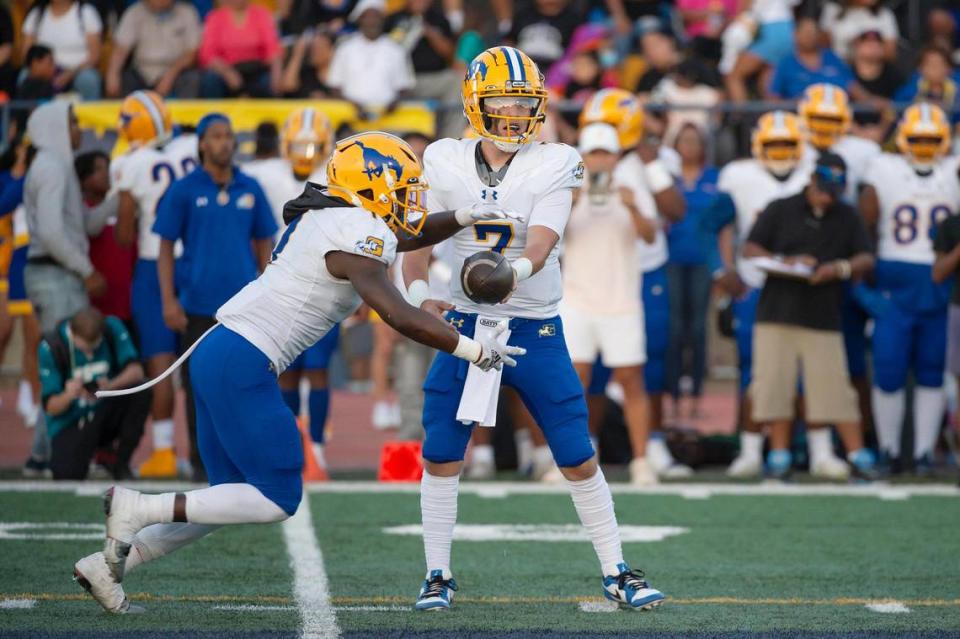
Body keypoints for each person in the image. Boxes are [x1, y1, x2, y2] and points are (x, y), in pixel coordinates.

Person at [74, 131, 523, 613]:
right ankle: (138, 507)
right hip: (243, 358)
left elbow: (406, 232)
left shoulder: (339, 215)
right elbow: (397, 313)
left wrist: (460, 218)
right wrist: (475, 351)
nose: (409, 196)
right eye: (401, 185)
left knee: (226, 500)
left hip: (224, 351)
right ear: (370, 184)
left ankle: (107, 566)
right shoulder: (354, 229)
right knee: (277, 495)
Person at [403, 46, 665, 611]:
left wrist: (511, 272)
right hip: (467, 321)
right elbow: (416, 239)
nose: (515, 113)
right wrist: (422, 297)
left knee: (574, 448)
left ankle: (617, 570)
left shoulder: (557, 159)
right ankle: (436, 573)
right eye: (503, 101)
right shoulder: (443, 158)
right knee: (443, 448)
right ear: (475, 102)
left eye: (524, 103)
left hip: (533, 323)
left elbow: (543, 240)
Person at [153, 113, 278, 482]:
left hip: (243, 310)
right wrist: (168, 300)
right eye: (217, 136)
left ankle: (241, 462)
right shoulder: (184, 189)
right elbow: (164, 247)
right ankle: (199, 462)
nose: (225, 142)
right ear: (203, 144)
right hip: (196, 306)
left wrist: (267, 292)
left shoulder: (250, 187)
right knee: (197, 388)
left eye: (229, 136)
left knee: (242, 384)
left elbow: (264, 245)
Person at [744, 152, 877, 480]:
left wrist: (837, 269)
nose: (827, 198)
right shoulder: (781, 208)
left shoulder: (846, 215)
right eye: (823, 189)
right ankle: (778, 454)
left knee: (833, 388)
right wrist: (784, 261)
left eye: (833, 192)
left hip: (822, 315)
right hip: (777, 311)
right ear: (810, 181)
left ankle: (857, 455)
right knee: (775, 387)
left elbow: (865, 257)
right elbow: (750, 248)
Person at [579, 87, 689, 480]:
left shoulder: (651, 161)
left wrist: (648, 160)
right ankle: (584, 445)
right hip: (592, 275)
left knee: (649, 361)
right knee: (589, 369)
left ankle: (653, 442)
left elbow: (676, 209)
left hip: (642, 271)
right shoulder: (579, 164)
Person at [701, 111, 811, 478]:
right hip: (756, 288)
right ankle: (750, 449)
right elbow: (710, 227)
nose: (780, 153)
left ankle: (799, 448)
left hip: (802, 288)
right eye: (773, 144)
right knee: (754, 371)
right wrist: (724, 272)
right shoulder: (739, 177)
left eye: (787, 145)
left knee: (802, 373)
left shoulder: (813, 173)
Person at [859, 103, 960, 474]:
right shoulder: (883, 169)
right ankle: (888, 449)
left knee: (933, 369)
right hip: (894, 273)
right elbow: (866, 218)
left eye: (931, 139)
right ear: (902, 138)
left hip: (939, 276)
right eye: (916, 138)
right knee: (888, 368)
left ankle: (921, 453)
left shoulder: (953, 169)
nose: (923, 145)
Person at [244, 107, 340, 475]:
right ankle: (288, 445)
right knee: (284, 369)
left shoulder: (334, 175)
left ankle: (316, 446)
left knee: (317, 368)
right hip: (281, 282)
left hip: (326, 282)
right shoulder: (265, 174)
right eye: (298, 145)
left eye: (312, 145)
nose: (304, 153)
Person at [562, 122, 659, 485]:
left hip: (621, 302)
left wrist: (633, 206)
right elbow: (550, 237)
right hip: (576, 301)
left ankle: (641, 462)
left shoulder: (631, 188)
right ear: (584, 156)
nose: (600, 160)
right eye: (594, 153)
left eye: (606, 153)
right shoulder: (569, 190)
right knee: (574, 383)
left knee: (632, 382)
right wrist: (571, 203)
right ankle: (575, 459)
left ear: (617, 156)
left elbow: (651, 237)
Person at [22, 101, 114, 477]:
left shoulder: (55, 167)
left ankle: (43, 454)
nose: (79, 129)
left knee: (65, 363)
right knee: (66, 363)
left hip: (58, 273)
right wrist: (87, 269)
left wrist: (117, 199)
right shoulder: (52, 168)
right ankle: (44, 455)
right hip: (55, 273)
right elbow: (51, 233)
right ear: (55, 126)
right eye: (73, 122)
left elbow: (83, 227)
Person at [110, 91, 192, 479]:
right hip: (193, 263)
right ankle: (201, 451)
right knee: (197, 366)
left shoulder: (132, 163)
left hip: (152, 264)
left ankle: (163, 451)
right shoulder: (192, 148)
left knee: (160, 362)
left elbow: (124, 234)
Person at [798, 83, 881, 435]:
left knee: (851, 362)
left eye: (831, 118)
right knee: (796, 366)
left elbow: (872, 207)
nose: (824, 124)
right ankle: (806, 443)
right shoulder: (791, 145)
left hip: (845, 268)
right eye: (817, 117)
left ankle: (861, 440)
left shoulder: (863, 152)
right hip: (798, 271)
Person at [41, 307, 149, 480]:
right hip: (73, 419)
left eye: (94, 347)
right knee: (67, 474)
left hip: (105, 409)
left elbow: (137, 371)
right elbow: (51, 407)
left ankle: (119, 460)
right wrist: (69, 394)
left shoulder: (112, 327)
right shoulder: (52, 346)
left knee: (141, 390)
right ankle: (93, 454)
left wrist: (109, 386)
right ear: (72, 333)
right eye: (84, 348)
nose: (90, 354)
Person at [666, 124, 716, 420]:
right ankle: (672, 397)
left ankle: (696, 395)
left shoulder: (714, 178)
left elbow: (722, 224)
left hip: (703, 261)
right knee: (674, 330)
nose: (689, 146)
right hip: (671, 259)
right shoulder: (667, 178)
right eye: (684, 140)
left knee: (697, 330)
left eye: (695, 141)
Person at [327, 0, 415, 120]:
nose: (372, 22)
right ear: (359, 20)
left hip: (388, 120)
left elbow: (404, 88)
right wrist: (354, 107)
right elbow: (334, 86)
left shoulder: (395, 49)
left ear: (382, 20)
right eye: (367, 17)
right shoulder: (345, 48)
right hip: (350, 117)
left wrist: (390, 108)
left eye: (376, 17)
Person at [387, 0, 462, 139]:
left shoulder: (438, 19)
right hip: (398, 82)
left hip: (428, 80)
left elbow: (450, 55)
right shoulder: (393, 19)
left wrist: (429, 32)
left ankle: (451, 140)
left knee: (457, 80)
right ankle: (389, 140)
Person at [79, 151, 135, 326]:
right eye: (98, 169)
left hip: (126, 302)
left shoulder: (123, 209)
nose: (106, 174)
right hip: (96, 302)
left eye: (107, 168)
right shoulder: (80, 210)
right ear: (83, 179)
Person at [106, 0, 203, 98]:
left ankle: (184, 113)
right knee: (125, 79)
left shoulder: (187, 12)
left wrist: (170, 76)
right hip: (142, 70)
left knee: (192, 79)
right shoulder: (135, 12)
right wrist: (113, 74)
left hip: (176, 70)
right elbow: (121, 48)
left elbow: (191, 53)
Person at [20, 0, 103, 100]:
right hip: (43, 68)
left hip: (78, 70)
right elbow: (27, 52)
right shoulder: (37, 14)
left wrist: (71, 73)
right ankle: (25, 115)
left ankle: (88, 115)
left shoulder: (86, 12)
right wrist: (41, 69)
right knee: (24, 76)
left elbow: (94, 56)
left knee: (88, 79)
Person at [197, 0, 281, 98]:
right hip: (226, 69)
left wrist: (277, 74)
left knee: (268, 81)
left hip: (256, 70)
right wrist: (227, 72)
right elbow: (208, 53)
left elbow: (273, 48)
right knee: (211, 80)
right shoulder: (215, 17)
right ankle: (214, 112)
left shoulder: (261, 15)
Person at [766, 16, 856, 100]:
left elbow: (852, 86)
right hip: (800, 114)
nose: (809, 36)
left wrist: (868, 103)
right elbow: (774, 98)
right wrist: (794, 104)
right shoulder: (786, 64)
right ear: (795, 35)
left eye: (813, 32)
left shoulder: (832, 58)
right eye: (806, 32)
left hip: (835, 112)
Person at [820, 0, 899, 62]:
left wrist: (867, 50)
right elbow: (822, 48)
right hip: (838, 71)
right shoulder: (833, 10)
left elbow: (890, 53)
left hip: (870, 73)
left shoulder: (884, 14)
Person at [280, 29, 335, 99]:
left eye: (319, 48)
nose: (314, 52)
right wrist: (298, 54)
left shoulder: (340, 75)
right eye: (312, 48)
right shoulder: (305, 72)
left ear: (331, 51)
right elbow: (287, 86)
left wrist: (326, 100)